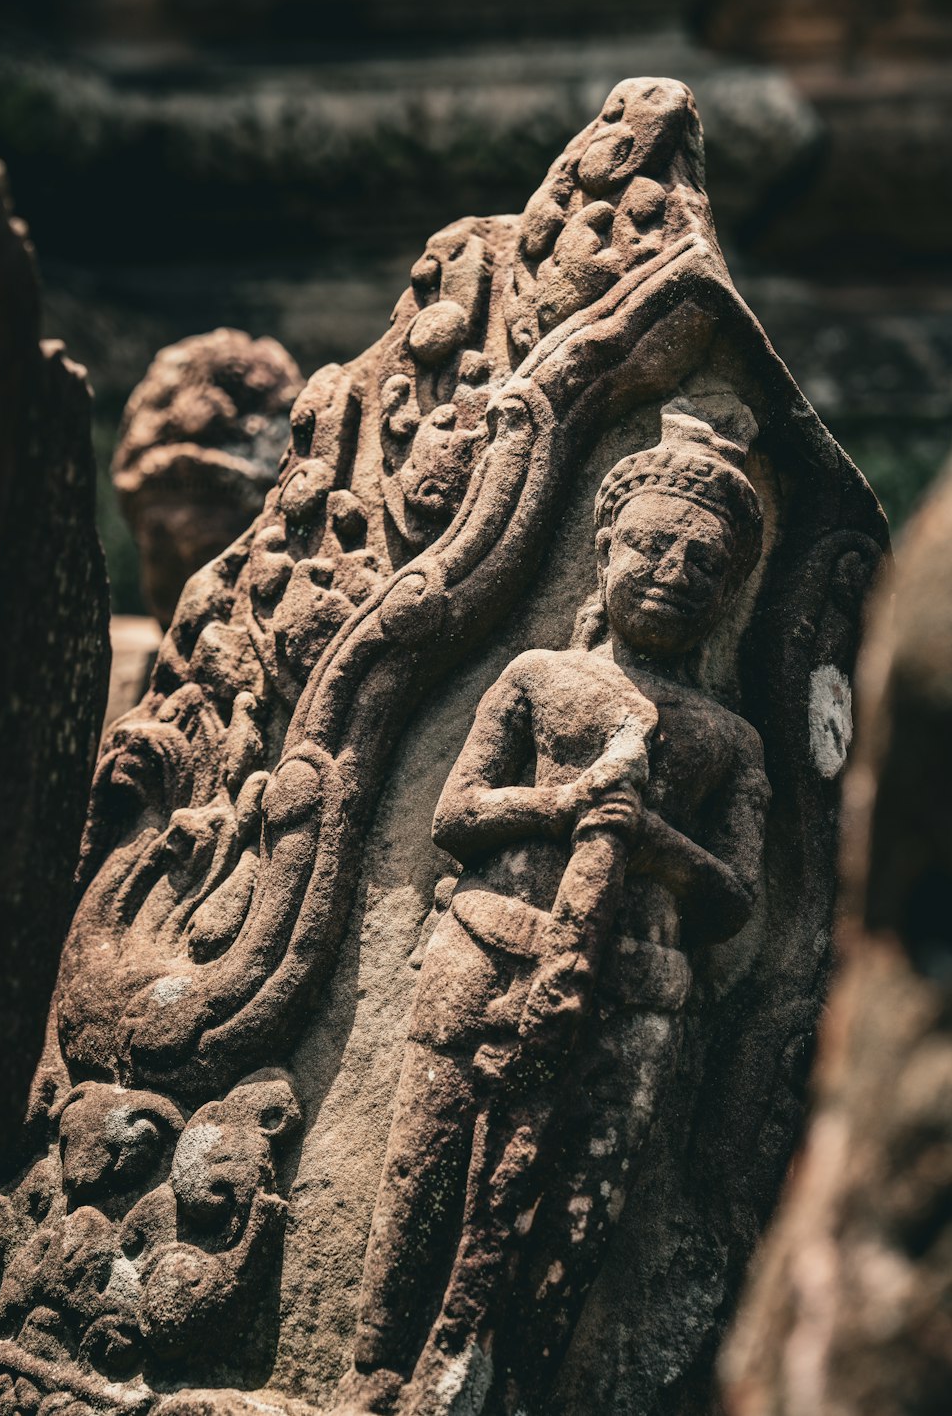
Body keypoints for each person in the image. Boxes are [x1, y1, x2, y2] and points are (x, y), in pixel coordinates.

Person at [339, 412, 771, 1416]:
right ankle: (372, 1375)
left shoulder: (729, 738)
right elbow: (455, 813)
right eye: (653, 548)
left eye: (703, 564)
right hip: (487, 951)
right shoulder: (539, 677)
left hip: (636, 990)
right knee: (423, 1176)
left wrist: (651, 837)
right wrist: (564, 804)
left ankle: (521, 1389)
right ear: (605, 549)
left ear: (727, 592)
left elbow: (735, 896)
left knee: (576, 1214)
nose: (674, 574)